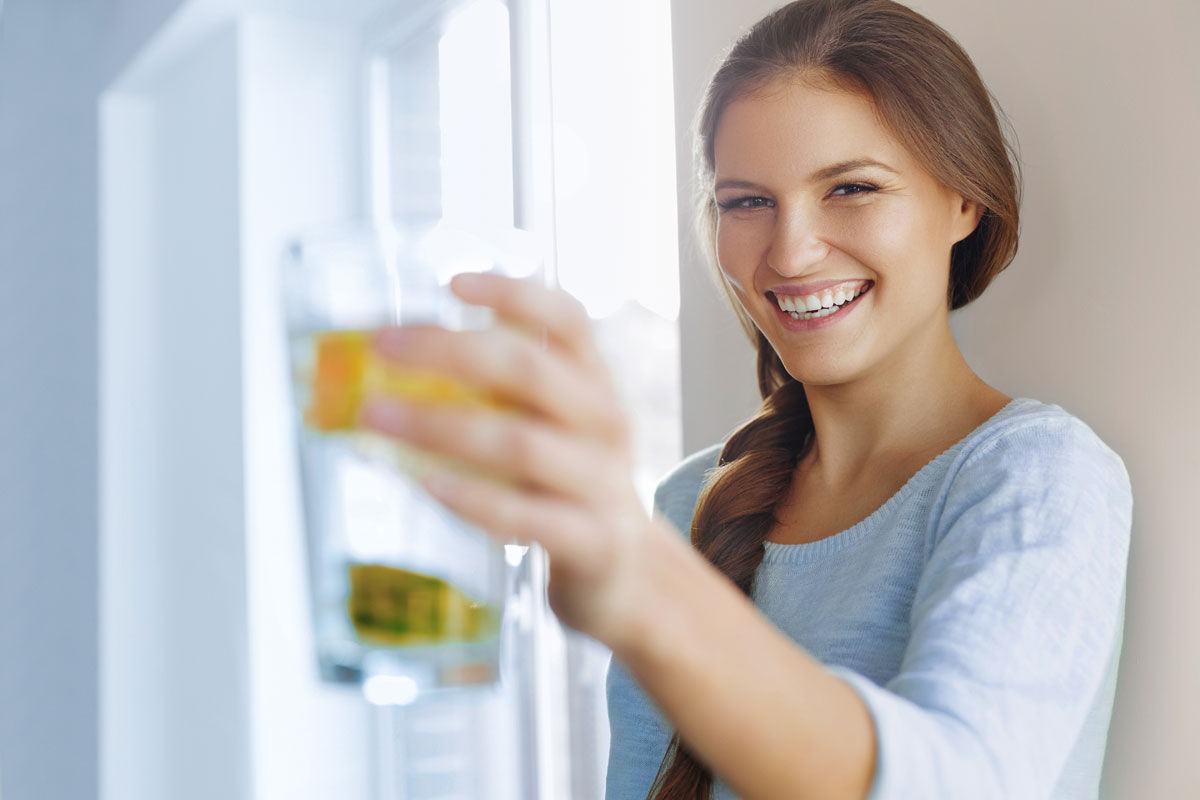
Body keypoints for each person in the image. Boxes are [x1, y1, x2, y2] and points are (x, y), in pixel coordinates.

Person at [359, 0, 1132, 797]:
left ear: (963, 201)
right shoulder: (687, 503)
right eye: (747, 202)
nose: (791, 251)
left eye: (852, 188)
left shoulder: (1039, 475)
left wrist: (649, 593)